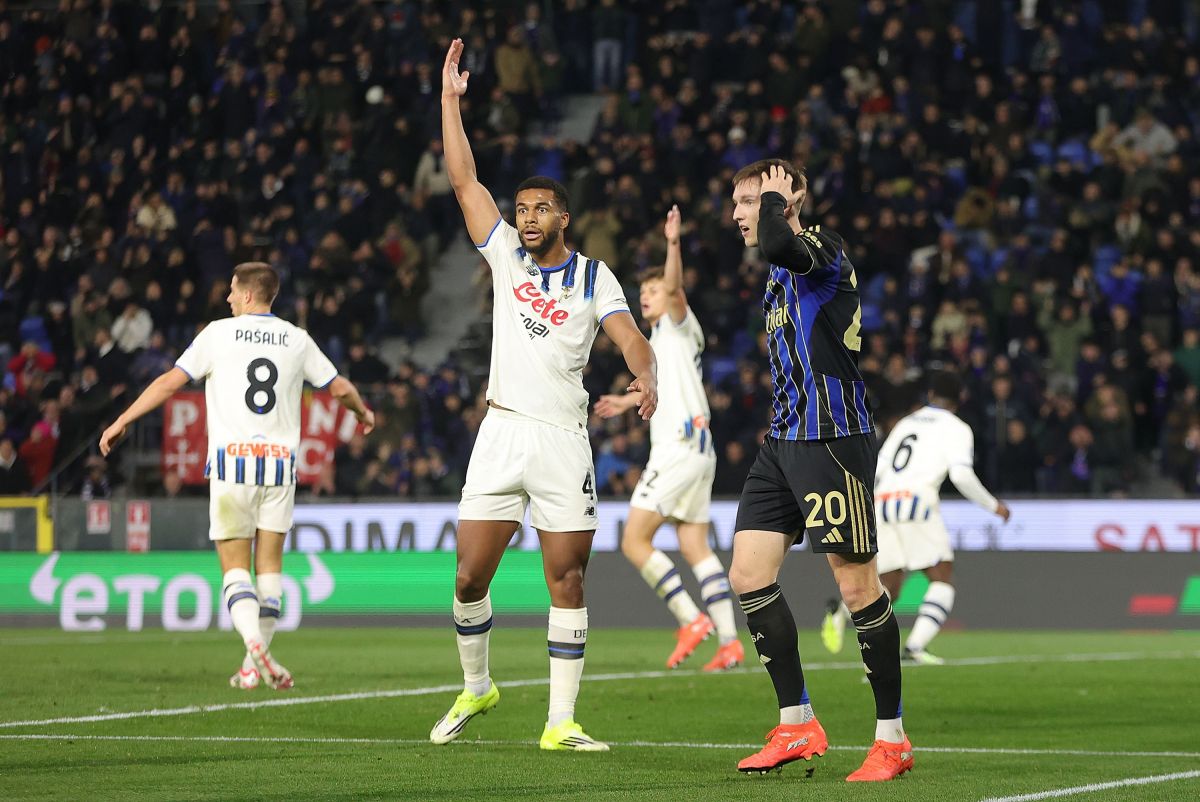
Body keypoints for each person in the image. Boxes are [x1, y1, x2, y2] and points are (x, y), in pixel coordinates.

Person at [430, 39, 657, 753]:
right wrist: (450, 101)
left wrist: (645, 376)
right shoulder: (504, 256)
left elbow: (628, 337)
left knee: (567, 579)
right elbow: (466, 183)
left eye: (539, 210)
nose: (525, 218)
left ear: (564, 217)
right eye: (521, 208)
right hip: (500, 433)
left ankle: (560, 724)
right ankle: (477, 685)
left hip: (562, 441)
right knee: (469, 575)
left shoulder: (595, 278)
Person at [100, 262, 375, 691]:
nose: (227, 298)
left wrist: (123, 419)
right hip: (280, 466)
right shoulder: (296, 339)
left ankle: (252, 644)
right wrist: (363, 412)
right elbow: (338, 388)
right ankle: (252, 663)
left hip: (233, 464)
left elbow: (171, 382)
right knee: (269, 570)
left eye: (232, 290)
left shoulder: (217, 334)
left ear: (248, 295)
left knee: (234, 570)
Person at [727, 161, 913, 781]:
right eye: (739, 202)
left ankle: (892, 739)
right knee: (748, 573)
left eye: (751, 199)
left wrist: (779, 201)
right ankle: (797, 722)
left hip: (833, 441)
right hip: (781, 446)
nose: (740, 213)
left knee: (859, 589)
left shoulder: (822, 249)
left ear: (791, 198)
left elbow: (781, 237)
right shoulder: (778, 279)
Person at [595, 206, 742, 672]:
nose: (647, 297)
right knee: (696, 547)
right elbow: (666, 387)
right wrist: (624, 401)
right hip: (700, 452)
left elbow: (677, 288)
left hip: (677, 450)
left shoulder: (678, 323)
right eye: (643, 292)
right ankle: (731, 642)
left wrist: (673, 243)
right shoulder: (658, 342)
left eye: (653, 290)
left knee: (635, 541)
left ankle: (689, 618)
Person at [852, 371, 1010, 665]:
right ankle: (913, 647)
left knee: (888, 585)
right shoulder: (957, 428)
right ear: (960, 399)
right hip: (917, 502)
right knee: (941, 578)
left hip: (882, 502)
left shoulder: (907, 422)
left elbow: (880, 466)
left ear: (930, 395)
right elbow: (961, 474)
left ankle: (869, 647)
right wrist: (993, 506)